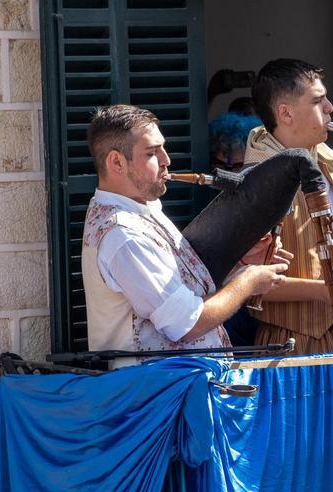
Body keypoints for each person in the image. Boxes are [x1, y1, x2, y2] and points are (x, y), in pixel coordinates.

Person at [80, 104, 290, 358]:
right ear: (117, 162)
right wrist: (247, 282)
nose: (166, 161)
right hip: (161, 392)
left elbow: (187, 294)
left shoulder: (141, 210)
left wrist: (241, 265)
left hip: (181, 387)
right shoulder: (124, 234)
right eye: (151, 153)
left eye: (163, 149)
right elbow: (186, 324)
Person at [242, 58, 333, 355]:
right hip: (294, 340)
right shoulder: (258, 177)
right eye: (318, 101)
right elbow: (249, 281)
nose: (330, 107)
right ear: (286, 113)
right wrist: (329, 291)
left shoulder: (327, 157)